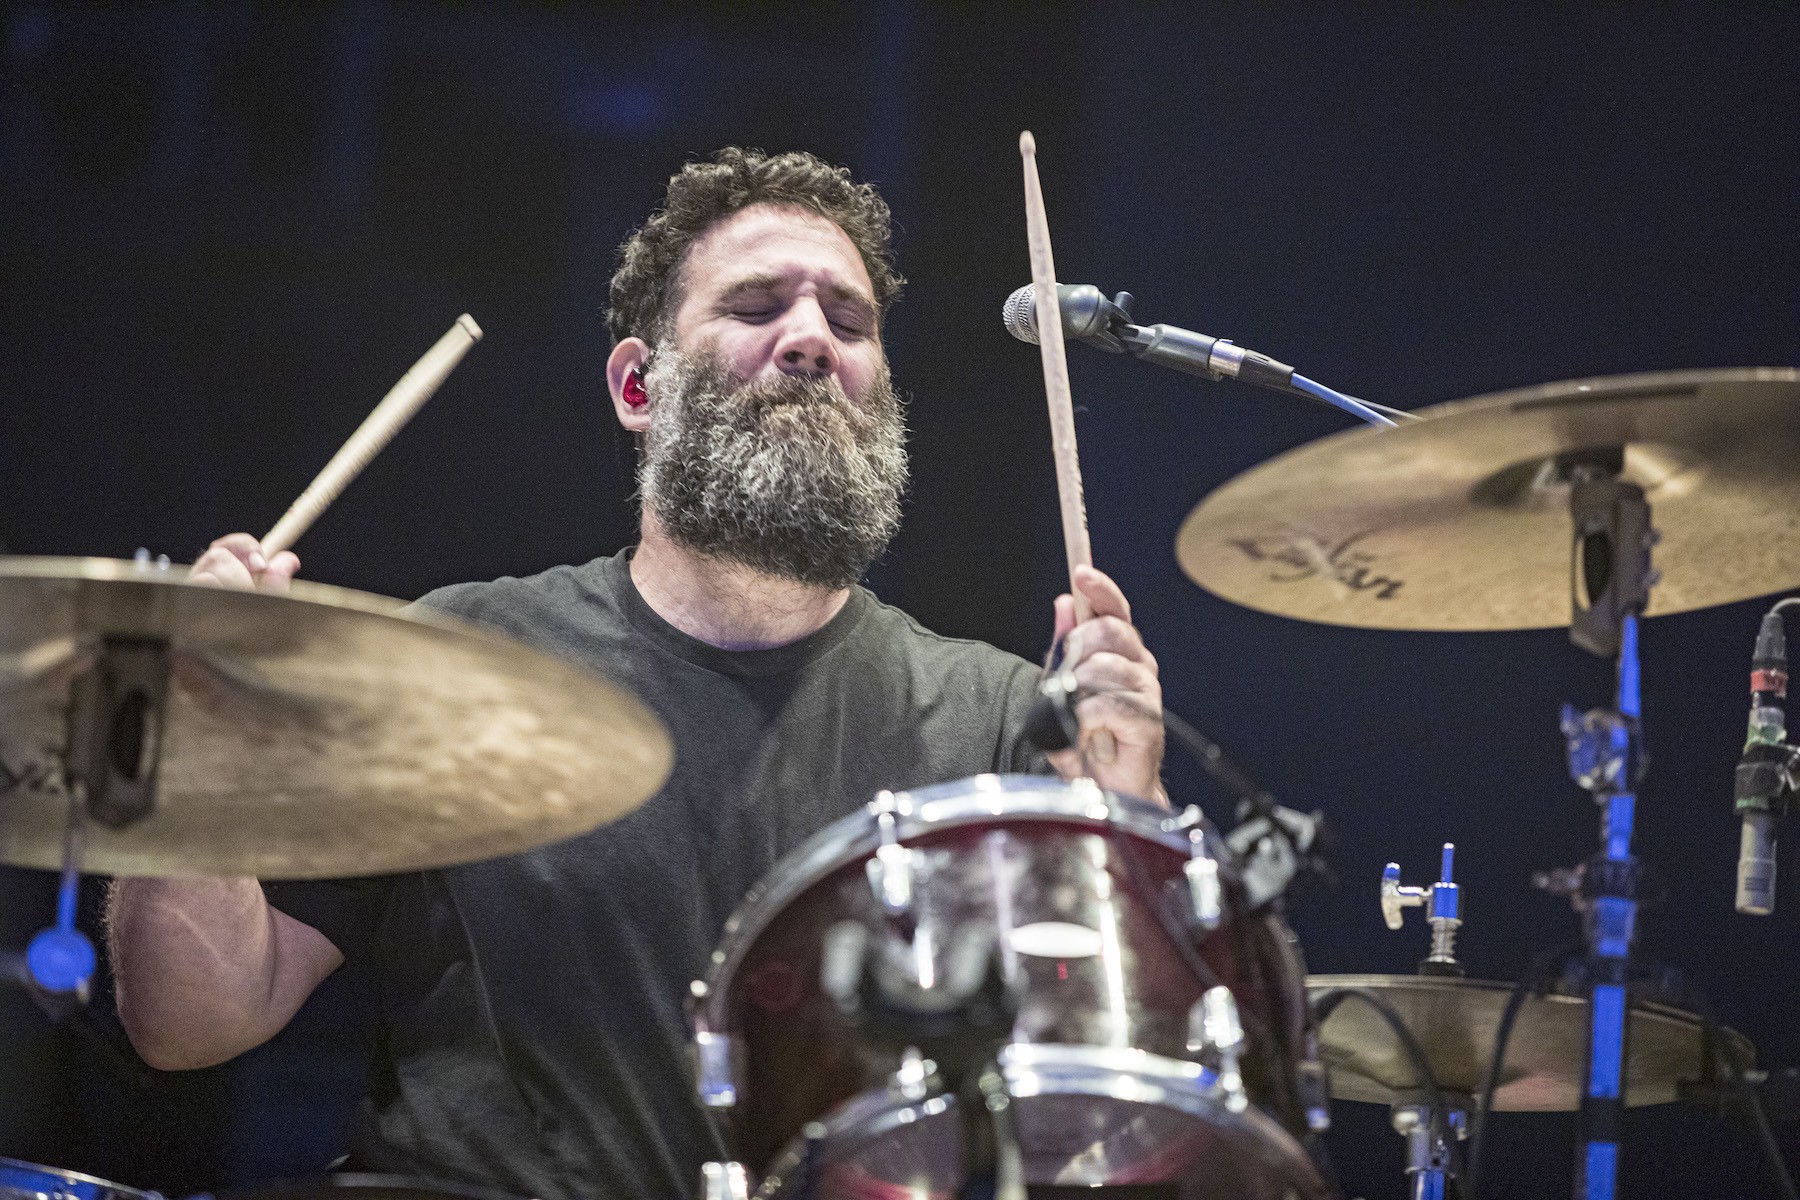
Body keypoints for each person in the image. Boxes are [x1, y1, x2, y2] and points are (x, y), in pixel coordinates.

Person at [107, 148, 1164, 1200]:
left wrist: (1129, 818)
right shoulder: (457, 661)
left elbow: (1115, 1122)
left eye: (849, 323)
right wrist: (186, 741)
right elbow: (192, 1019)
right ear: (636, 386)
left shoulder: (999, 719)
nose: (810, 338)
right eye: (756, 306)